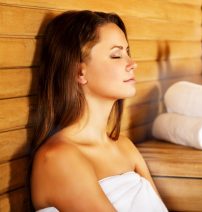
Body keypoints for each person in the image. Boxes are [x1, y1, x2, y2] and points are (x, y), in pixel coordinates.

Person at [30, 10, 168, 211]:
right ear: (79, 72)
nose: (132, 63)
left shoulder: (125, 147)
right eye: (116, 55)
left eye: (128, 52)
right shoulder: (57, 159)